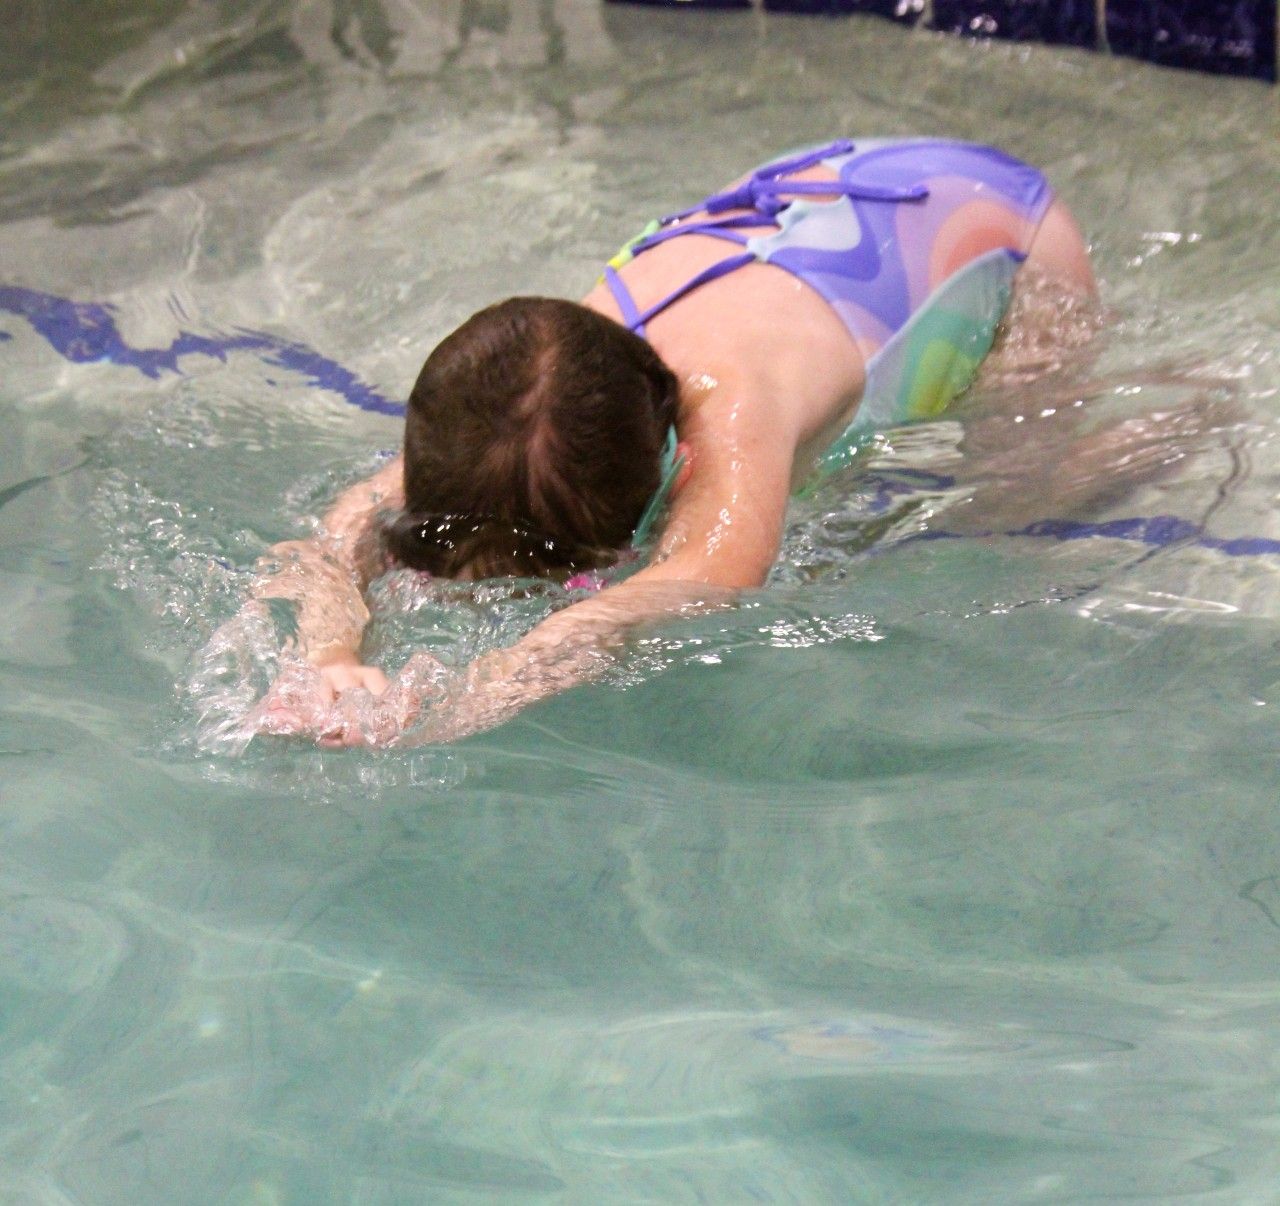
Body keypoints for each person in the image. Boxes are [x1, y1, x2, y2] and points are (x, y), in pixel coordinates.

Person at [248, 137, 1096, 746]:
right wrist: (326, 654)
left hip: (993, 233)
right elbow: (351, 524)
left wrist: (460, 705)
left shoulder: (736, 416)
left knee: (1016, 510)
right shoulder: (527, 401)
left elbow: (696, 580)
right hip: (826, 198)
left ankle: (1177, 423)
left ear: (668, 469)